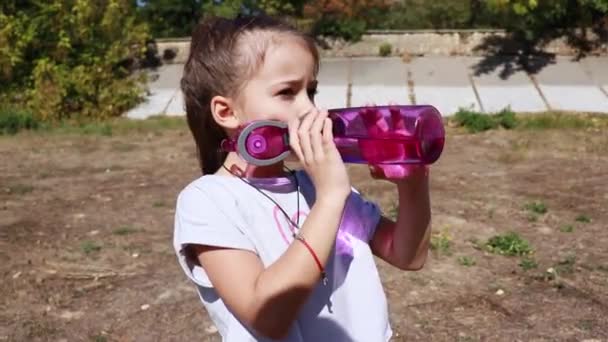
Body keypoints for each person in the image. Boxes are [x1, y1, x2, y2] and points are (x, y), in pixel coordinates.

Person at [173, 14, 432, 342]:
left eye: (311, 91)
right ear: (227, 112)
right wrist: (330, 198)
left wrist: (413, 184)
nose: (311, 110)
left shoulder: (315, 186)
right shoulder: (209, 201)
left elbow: (407, 255)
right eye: (287, 92)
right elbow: (266, 316)